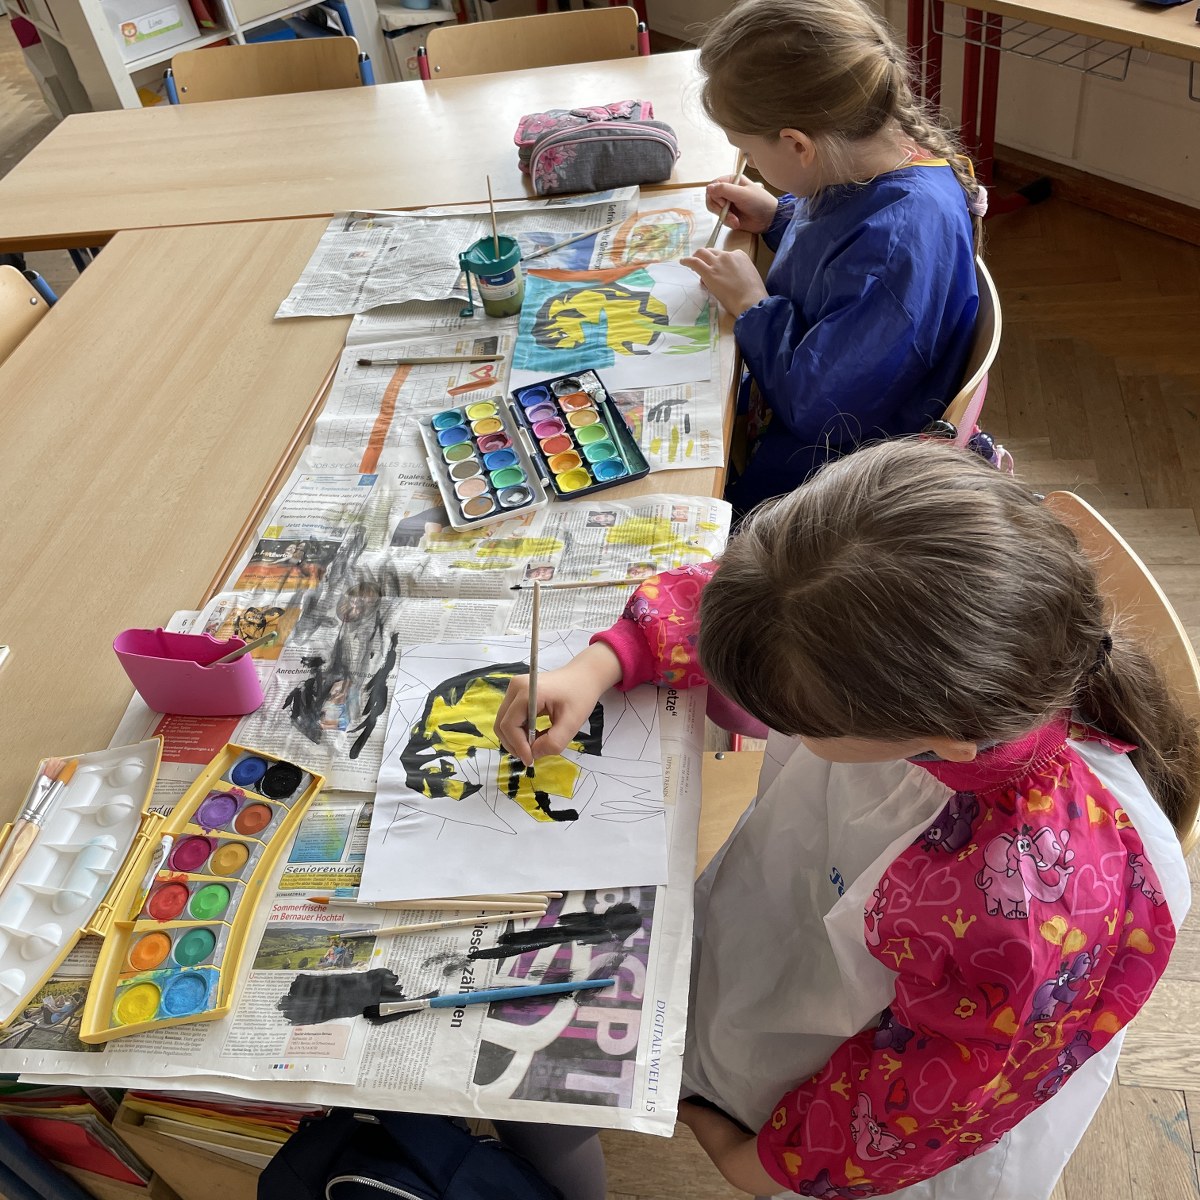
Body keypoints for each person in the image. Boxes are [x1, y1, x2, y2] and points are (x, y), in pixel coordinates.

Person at [493, 440, 1195, 1199]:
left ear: (936, 737)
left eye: (796, 718)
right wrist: (603, 661)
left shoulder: (1022, 908)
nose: (765, 719)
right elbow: (776, 601)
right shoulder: (919, 624)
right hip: (834, 936)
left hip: (907, 1104)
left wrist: (765, 1164)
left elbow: (928, 1101)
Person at [680, 0, 983, 514]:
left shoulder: (896, 242)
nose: (750, 163)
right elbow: (842, 252)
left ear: (797, 144)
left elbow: (821, 408)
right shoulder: (870, 160)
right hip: (822, 426)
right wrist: (777, 216)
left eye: (748, 152)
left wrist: (753, 304)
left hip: (834, 480)